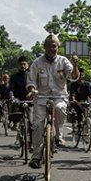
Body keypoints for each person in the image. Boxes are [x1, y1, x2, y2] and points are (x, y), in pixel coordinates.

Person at [26, 32, 79, 169]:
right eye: (49, 46)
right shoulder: (37, 63)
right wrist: (31, 90)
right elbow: (31, 81)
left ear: (58, 47)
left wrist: (75, 65)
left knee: (60, 108)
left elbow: (73, 77)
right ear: (44, 47)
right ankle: (36, 156)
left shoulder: (63, 61)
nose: (51, 49)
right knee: (37, 125)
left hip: (59, 96)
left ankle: (58, 135)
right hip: (41, 98)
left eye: (54, 46)